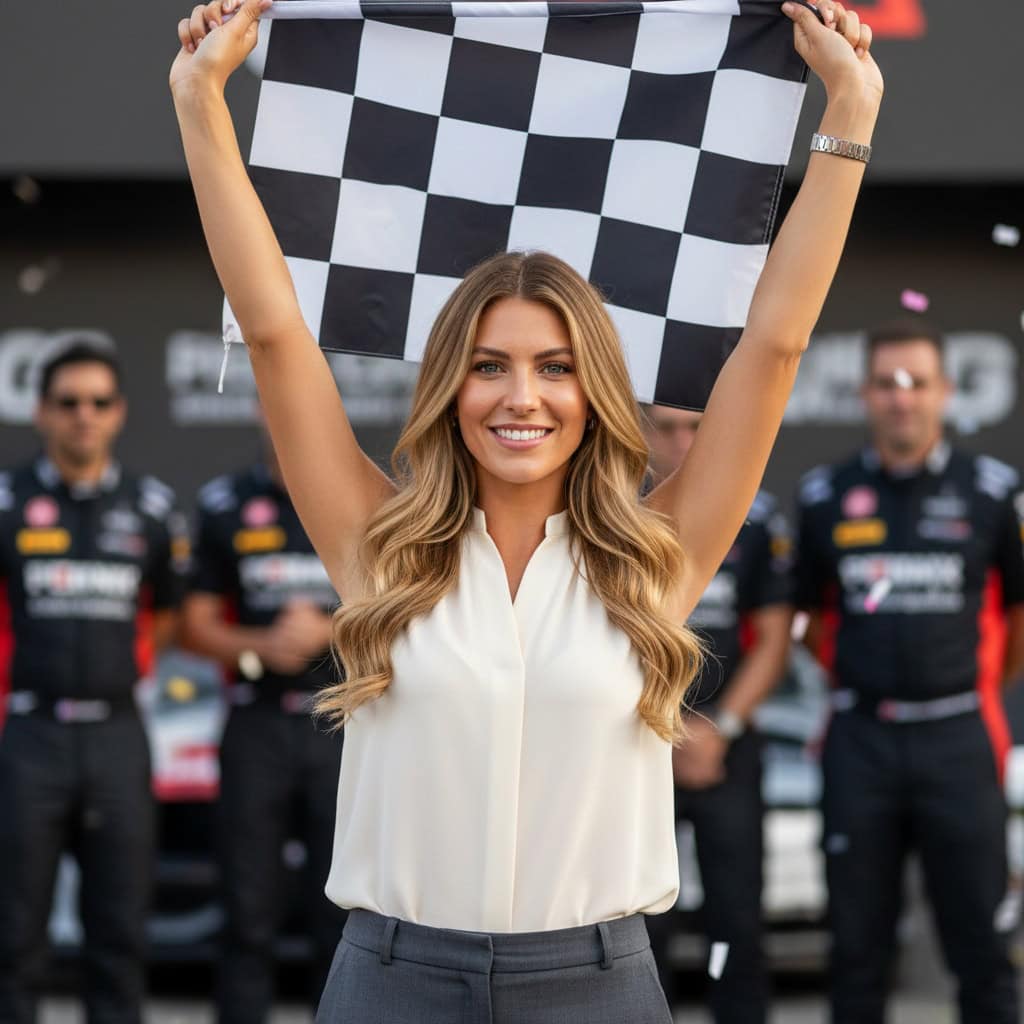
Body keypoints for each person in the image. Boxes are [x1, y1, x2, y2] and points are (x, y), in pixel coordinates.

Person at [170, 0, 881, 1018]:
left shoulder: (655, 563)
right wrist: (201, 101)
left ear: (593, 391)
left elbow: (770, 347)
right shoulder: (379, 552)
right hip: (388, 981)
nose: (521, 396)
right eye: (488, 366)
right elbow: (279, 332)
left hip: (600, 987)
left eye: (554, 367)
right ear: (448, 388)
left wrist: (848, 111)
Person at [795, 319, 1024, 1024]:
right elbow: (806, 624)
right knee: (856, 953)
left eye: (916, 383)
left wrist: (976, 681)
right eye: (887, 383)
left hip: (960, 737)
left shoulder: (994, 492)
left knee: (982, 951)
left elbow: (1019, 619)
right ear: (864, 393)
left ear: (945, 393)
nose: (902, 399)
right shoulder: (823, 495)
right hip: (860, 740)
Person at [0, 342, 190, 1024]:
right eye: (69, 402)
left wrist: (126, 665)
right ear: (41, 412)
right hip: (30, 735)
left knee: (119, 937)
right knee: (14, 937)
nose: (85, 416)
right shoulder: (7, 502)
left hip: (117, 733)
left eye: (99, 402)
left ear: (120, 413)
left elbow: (169, 618)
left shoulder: (151, 508)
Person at [181, 435, 346, 1023]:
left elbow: (412, 604)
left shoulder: (361, 498)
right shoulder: (225, 504)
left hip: (344, 725)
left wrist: (331, 632)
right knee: (247, 908)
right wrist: (262, 646)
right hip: (256, 722)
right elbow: (191, 627)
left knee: (345, 911)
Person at [643, 407, 793, 1023]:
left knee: (736, 916)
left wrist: (720, 728)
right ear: (642, 431)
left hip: (726, 744)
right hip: (637, 744)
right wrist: (661, 730)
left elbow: (776, 637)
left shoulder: (757, 516)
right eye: (667, 426)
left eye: (698, 426)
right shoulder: (609, 512)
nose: (683, 442)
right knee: (636, 919)